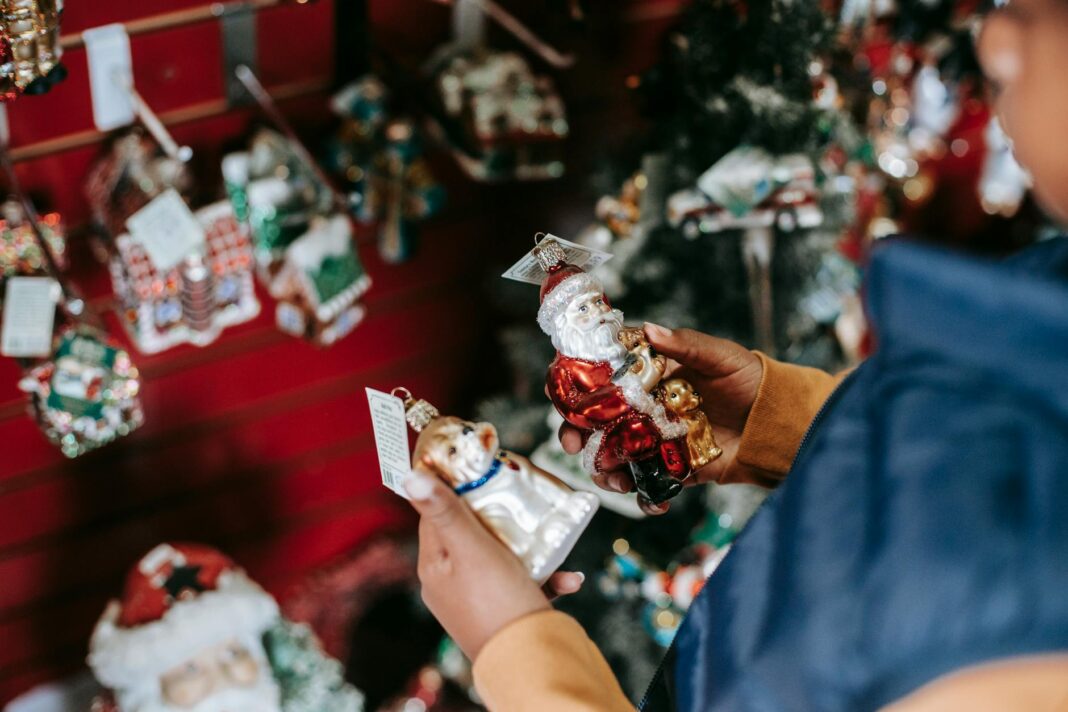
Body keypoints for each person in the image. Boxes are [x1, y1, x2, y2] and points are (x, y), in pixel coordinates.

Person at [403, 1, 1068, 709]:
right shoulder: (1037, 300)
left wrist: (516, 644)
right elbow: (957, 463)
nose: (995, 40)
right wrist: (785, 419)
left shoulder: (1017, 638)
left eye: (1045, 8)